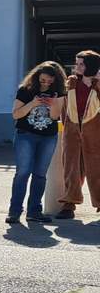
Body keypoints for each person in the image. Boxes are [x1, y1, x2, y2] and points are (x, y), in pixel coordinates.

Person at [8, 61, 65, 226]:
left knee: (40, 174)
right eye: (43, 81)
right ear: (36, 77)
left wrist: (54, 104)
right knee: (23, 172)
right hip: (25, 135)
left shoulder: (59, 92)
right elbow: (16, 114)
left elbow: (55, 117)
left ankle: (34, 211)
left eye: (50, 81)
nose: (46, 84)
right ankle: (14, 211)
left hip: (48, 136)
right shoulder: (25, 90)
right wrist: (33, 103)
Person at [57, 49, 100, 219]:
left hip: (95, 132)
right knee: (71, 168)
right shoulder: (71, 82)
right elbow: (64, 107)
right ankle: (69, 203)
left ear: (91, 65)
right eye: (77, 63)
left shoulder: (98, 84)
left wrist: (96, 83)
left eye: (81, 64)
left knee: (97, 169)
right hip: (72, 131)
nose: (77, 67)